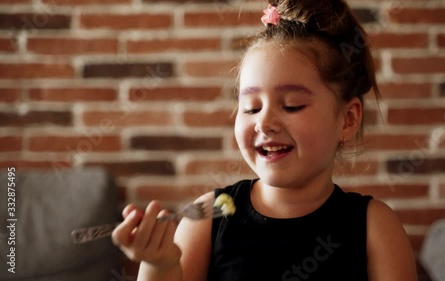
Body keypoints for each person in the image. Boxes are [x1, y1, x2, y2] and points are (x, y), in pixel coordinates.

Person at [112, 0, 419, 280]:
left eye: (291, 106)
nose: (265, 123)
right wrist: (160, 264)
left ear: (348, 120)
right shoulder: (208, 220)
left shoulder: (374, 227)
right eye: (251, 108)